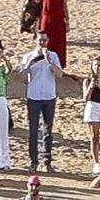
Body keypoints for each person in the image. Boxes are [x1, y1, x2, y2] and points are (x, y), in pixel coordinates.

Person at [18, 31, 64, 173]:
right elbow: (22, 78)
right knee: (33, 130)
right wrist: (29, 64)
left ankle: (47, 162)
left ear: (48, 41)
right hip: (34, 96)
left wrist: (49, 60)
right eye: (40, 40)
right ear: (35, 41)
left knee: (47, 130)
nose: (42, 43)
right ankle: (33, 161)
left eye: (44, 40)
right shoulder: (28, 56)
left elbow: (59, 73)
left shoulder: (53, 56)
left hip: (49, 96)